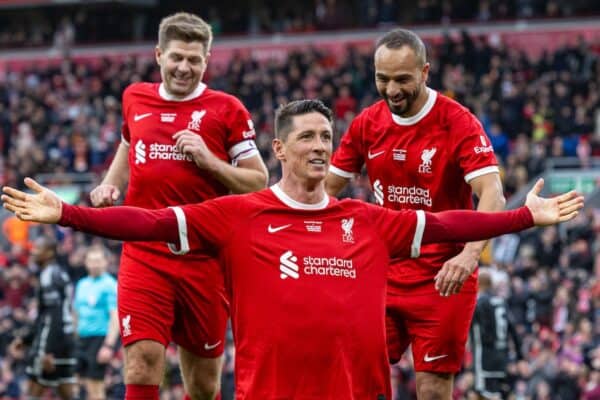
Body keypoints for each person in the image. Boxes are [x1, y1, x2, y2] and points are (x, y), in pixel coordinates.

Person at [2, 100, 584, 399]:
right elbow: (151, 223)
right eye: (306, 136)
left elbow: (447, 226)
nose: (319, 146)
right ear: (278, 146)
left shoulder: (368, 220)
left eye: (326, 138)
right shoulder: (238, 216)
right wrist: (70, 215)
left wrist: (524, 217)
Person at [87, 12, 268, 400]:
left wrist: (209, 161)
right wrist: (109, 185)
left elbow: (259, 180)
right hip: (144, 253)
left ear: (207, 60)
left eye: (194, 59)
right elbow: (127, 142)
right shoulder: (135, 97)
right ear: (158, 55)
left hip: (204, 258)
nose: (184, 67)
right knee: (141, 361)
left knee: (203, 386)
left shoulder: (227, 109)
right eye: (176, 57)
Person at [325, 28, 506, 398]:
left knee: (433, 387)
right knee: (357, 375)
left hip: (443, 276)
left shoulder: (457, 122)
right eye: (382, 79)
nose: (392, 90)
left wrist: (470, 256)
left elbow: (493, 194)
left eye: (403, 79)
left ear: (425, 72)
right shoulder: (367, 124)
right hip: (382, 271)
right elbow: (324, 190)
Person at [9, 236, 77, 399]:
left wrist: (48, 351)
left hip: (51, 342)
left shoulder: (49, 276)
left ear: (49, 253)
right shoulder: (58, 273)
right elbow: (46, 313)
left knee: (33, 391)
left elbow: (54, 315)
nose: (33, 252)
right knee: (66, 390)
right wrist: (27, 339)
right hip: (65, 339)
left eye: (38, 249)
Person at [73, 245, 119, 400]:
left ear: (106, 262)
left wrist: (108, 345)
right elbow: (76, 313)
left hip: (99, 338)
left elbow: (115, 316)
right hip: (81, 339)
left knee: (95, 386)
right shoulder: (81, 284)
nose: (94, 264)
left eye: (98, 260)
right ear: (85, 262)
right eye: (91, 260)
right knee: (77, 384)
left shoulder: (110, 284)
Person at [470, 269, 523, 400]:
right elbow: (513, 330)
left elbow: (482, 330)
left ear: (478, 284)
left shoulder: (479, 303)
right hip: (502, 358)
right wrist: (519, 356)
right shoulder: (501, 302)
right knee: (501, 392)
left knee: (483, 394)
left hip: (484, 358)